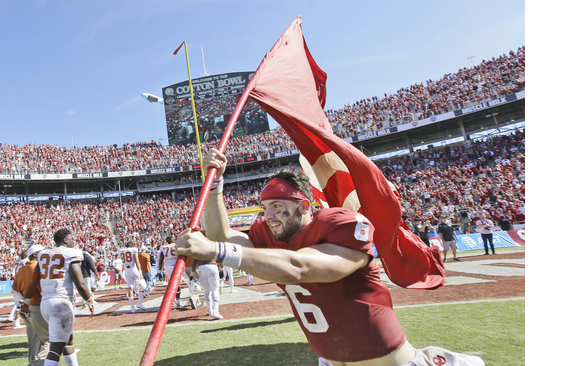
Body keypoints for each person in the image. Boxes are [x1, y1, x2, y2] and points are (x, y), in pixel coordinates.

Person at [176, 149, 484, 366]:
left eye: (277, 205)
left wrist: (216, 252)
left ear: (304, 206)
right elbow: (221, 236)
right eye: (265, 206)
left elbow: (300, 268)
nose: (268, 215)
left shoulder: (340, 224)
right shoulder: (271, 233)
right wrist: (214, 187)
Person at [20, 229, 95, 366]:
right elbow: (80, 283)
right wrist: (89, 300)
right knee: (55, 348)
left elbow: (33, 282)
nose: (74, 241)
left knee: (68, 341)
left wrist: (25, 302)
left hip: (46, 304)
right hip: (61, 304)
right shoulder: (71, 253)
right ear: (65, 240)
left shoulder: (44, 254)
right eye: (72, 238)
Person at [13, 244, 50, 366]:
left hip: (25, 308)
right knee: (49, 339)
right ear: (35, 254)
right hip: (37, 306)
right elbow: (42, 290)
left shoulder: (22, 269)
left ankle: (33, 362)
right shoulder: (38, 268)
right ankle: (37, 364)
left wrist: (22, 303)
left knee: (33, 342)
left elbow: (16, 290)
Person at [117, 242, 146, 312]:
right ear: (132, 246)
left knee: (130, 288)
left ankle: (132, 308)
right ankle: (139, 303)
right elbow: (137, 261)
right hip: (134, 269)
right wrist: (140, 272)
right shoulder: (133, 250)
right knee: (142, 286)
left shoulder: (121, 251)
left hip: (127, 271)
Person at [8, 250, 29, 329]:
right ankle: (18, 320)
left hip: (17, 281)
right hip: (23, 282)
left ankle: (14, 318)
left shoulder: (17, 261)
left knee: (19, 302)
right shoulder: (26, 262)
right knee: (24, 302)